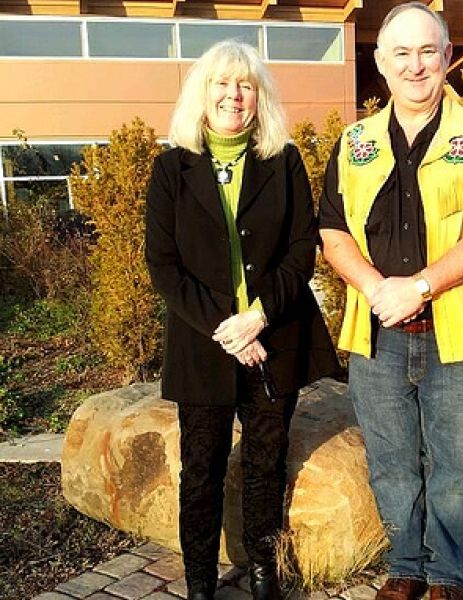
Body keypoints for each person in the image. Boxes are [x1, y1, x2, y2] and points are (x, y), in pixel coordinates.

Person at [318, 4, 463, 600]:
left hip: (454, 335)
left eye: (427, 52)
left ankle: (447, 575)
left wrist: (420, 285)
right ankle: (405, 566)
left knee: (456, 472)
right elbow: (332, 231)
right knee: (391, 467)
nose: (415, 65)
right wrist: (374, 286)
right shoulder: (354, 142)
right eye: (401, 54)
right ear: (381, 64)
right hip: (376, 338)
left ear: (447, 57)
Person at [145, 40, 339, 600]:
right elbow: (162, 262)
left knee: (266, 461)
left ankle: (263, 572)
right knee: (201, 469)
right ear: (201, 94)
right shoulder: (170, 168)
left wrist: (257, 316)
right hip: (203, 342)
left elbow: (303, 247)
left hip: (273, 336)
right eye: (222, 85)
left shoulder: (284, 161)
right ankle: (200, 582)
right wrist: (227, 329)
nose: (234, 96)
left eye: (246, 86)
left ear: (260, 97)